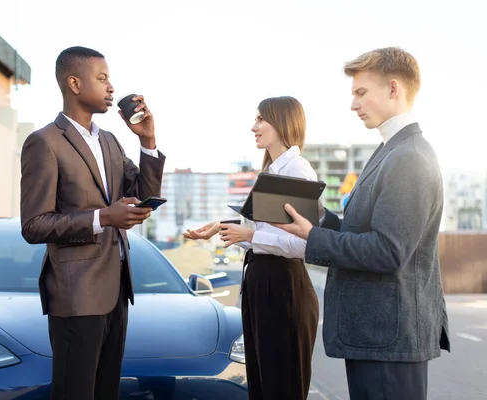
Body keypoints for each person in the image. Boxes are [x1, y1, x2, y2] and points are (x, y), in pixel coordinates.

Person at [272, 47, 450, 400]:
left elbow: (387, 251)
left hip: (388, 340)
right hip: (378, 338)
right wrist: (319, 219)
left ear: (394, 89)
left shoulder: (408, 157)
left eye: (360, 92)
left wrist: (314, 238)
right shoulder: (390, 151)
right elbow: (366, 233)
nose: (353, 104)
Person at [20, 46, 165, 400]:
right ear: (73, 83)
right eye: (102, 79)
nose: (111, 87)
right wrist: (103, 218)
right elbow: (34, 225)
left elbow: (142, 192)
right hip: (76, 295)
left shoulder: (111, 141)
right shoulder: (44, 143)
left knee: (105, 393)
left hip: (115, 290)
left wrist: (147, 142)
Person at [184, 96, 319, 400]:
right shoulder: (273, 171)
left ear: (283, 123)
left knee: (281, 388)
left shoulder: (297, 169)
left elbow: (302, 244)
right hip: (264, 285)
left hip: (284, 288)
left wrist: (250, 234)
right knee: (262, 386)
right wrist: (223, 228)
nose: (253, 127)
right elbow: (265, 234)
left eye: (261, 119)